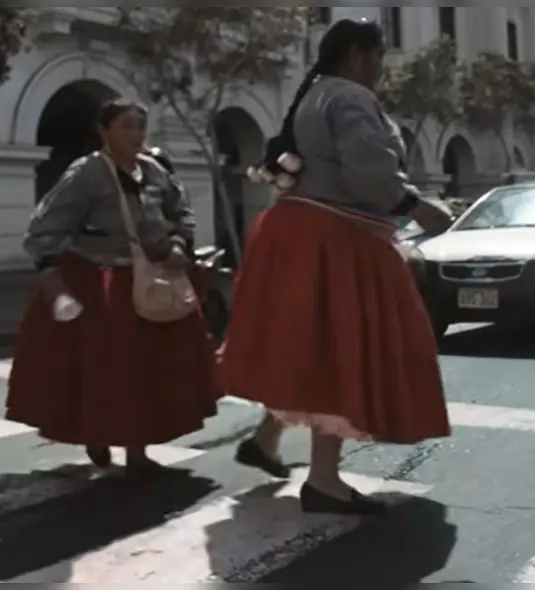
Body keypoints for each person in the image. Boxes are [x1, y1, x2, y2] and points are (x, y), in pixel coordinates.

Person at [219, 19, 455, 515]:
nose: (382, 69)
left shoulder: (315, 94)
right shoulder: (348, 96)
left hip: (303, 232)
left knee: (314, 348)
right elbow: (368, 170)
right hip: (337, 236)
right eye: (379, 56)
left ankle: (270, 443)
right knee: (338, 353)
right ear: (357, 55)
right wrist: (415, 205)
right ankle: (323, 479)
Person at [5, 98, 222, 474]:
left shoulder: (154, 171)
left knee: (151, 371)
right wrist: (52, 273)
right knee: (107, 370)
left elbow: (180, 210)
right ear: (104, 131)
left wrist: (177, 244)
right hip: (100, 283)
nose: (136, 134)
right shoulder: (86, 174)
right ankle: (97, 434)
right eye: (126, 125)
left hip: (152, 281)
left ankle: (138, 452)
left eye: (140, 125)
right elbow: (44, 228)